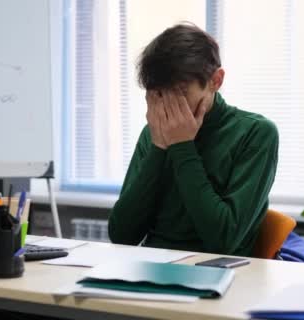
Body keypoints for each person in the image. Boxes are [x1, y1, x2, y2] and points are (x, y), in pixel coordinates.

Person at [108, 23, 279, 256]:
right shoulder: (153, 133)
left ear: (215, 81)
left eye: (180, 94)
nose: (169, 109)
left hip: (219, 274)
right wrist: (159, 148)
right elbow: (121, 236)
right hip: (152, 266)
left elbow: (223, 241)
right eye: (159, 94)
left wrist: (182, 146)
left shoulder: (255, 133)